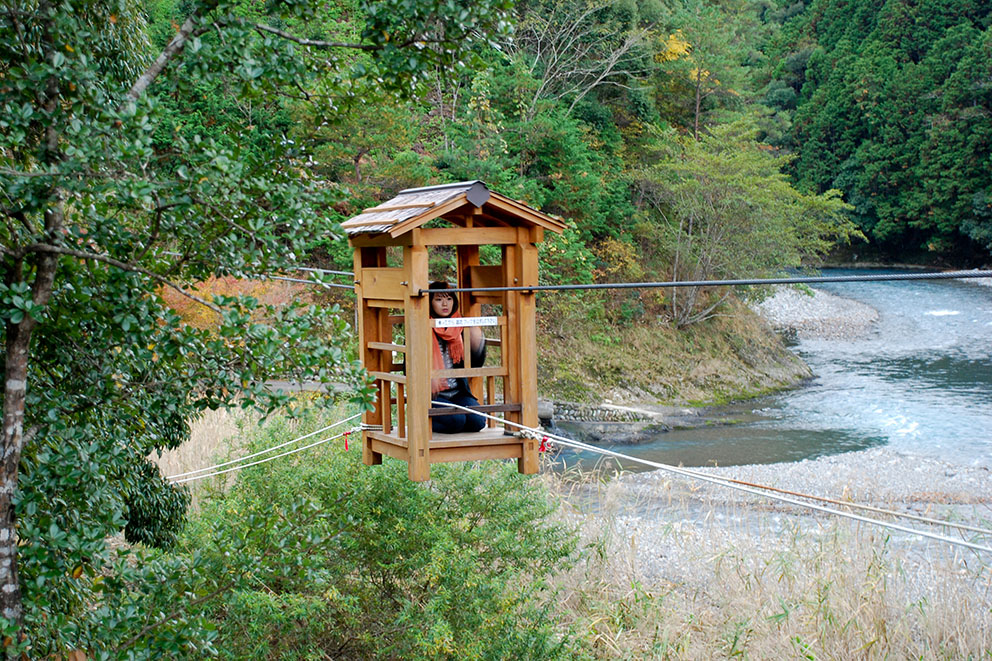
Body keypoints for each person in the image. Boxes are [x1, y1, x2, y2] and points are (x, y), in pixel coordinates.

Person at [428, 281, 487, 433]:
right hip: (433, 395)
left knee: (478, 421)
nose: (444, 304)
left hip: (457, 392)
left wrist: (477, 345)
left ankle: (454, 422)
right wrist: (427, 378)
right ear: (430, 302)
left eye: (449, 299)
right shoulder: (421, 326)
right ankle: (424, 422)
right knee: (457, 420)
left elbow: (474, 364)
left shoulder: (459, 326)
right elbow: (407, 368)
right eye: (439, 300)